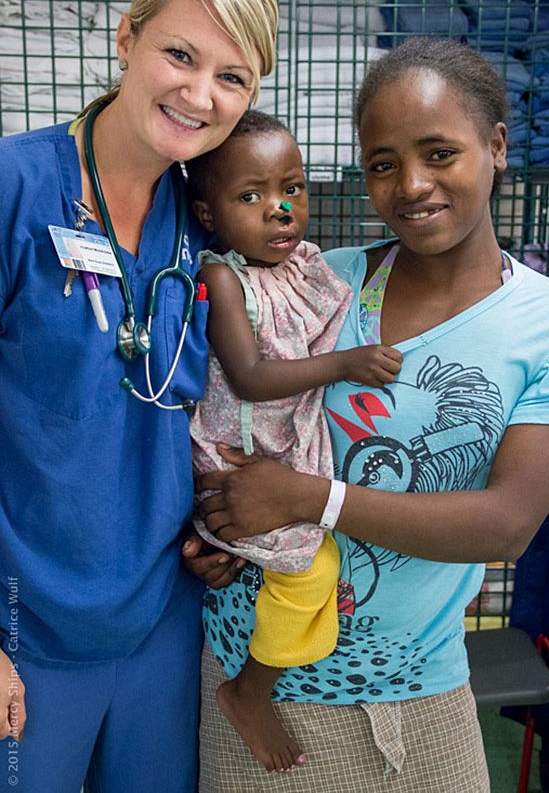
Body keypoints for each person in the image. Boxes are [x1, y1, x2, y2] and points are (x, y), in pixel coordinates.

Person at [187, 38, 549, 793]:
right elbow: (224, 417)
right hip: (259, 693)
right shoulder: (315, 283)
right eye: (382, 164)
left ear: (496, 147)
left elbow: (506, 525)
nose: (411, 185)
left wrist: (308, 500)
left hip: (425, 696)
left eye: (439, 153)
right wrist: (211, 531)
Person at [0, 0, 277, 793]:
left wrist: (226, 525)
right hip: (27, 626)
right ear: (126, 40)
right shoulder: (16, 187)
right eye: (180, 55)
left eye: (232, 77)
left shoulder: (205, 221)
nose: (199, 95)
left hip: (163, 610)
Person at [185, 109, 402, 774]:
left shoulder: (303, 266)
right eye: (250, 196)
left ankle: (268, 646)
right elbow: (249, 378)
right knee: (311, 572)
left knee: (312, 566)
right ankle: (249, 691)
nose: (280, 209)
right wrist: (347, 363)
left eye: (293, 188)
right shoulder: (224, 278)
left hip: (284, 450)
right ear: (208, 213)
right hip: (241, 455)